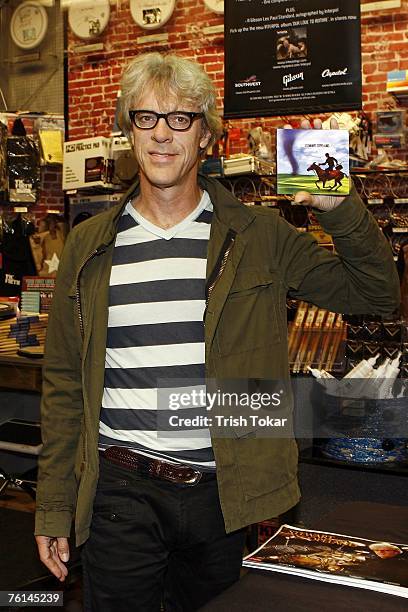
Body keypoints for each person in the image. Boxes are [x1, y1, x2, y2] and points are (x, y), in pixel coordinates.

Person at [34, 53, 400, 611]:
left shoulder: (260, 235)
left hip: (227, 495)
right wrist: (54, 506)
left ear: (205, 135)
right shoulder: (89, 248)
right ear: (126, 131)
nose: (161, 134)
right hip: (119, 492)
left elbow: (377, 293)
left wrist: (338, 203)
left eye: (180, 118)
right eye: (145, 117)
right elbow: (63, 384)